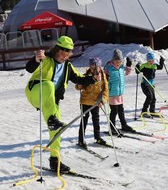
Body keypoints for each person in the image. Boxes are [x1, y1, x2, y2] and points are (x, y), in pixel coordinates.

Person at [25, 36, 99, 172]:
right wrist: (36, 59)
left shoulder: (67, 66)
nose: (63, 57)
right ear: (56, 50)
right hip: (36, 93)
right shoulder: (45, 59)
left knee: (56, 130)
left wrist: (93, 79)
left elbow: (79, 79)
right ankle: (52, 120)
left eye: (67, 55)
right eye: (61, 54)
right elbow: (29, 68)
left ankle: (54, 160)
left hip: (51, 102)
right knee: (48, 85)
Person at [76, 57, 109, 147]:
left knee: (96, 119)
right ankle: (81, 139)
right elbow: (80, 83)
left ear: (99, 66)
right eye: (91, 66)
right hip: (85, 101)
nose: (93, 68)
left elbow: (105, 90)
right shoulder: (87, 75)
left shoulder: (102, 76)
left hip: (96, 101)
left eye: (95, 66)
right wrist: (78, 86)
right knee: (84, 120)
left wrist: (103, 100)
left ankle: (97, 137)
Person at [104, 49, 133, 134]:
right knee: (114, 111)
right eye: (116, 61)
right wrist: (106, 78)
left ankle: (124, 125)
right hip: (112, 93)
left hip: (119, 92)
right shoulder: (109, 68)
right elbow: (104, 79)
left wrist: (128, 65)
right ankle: (112, 127)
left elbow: (127, 73)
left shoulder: (121, 68)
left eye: (120, 61)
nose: (118, 63)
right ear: (113, 60)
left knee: (121, 110)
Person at [135, 52, 165, 117]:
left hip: (151, 84)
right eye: (149, 61)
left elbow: (161, 67)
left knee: (153, 98)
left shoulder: (154, 65)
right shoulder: (144, 66)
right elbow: (137, 71)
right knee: (149, 97)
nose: (151, 62)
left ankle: (152, 111)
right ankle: (144, 111)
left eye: (152, 60)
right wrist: (137, 66)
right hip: (145, 84)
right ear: (147, 60)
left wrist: (162, 61)